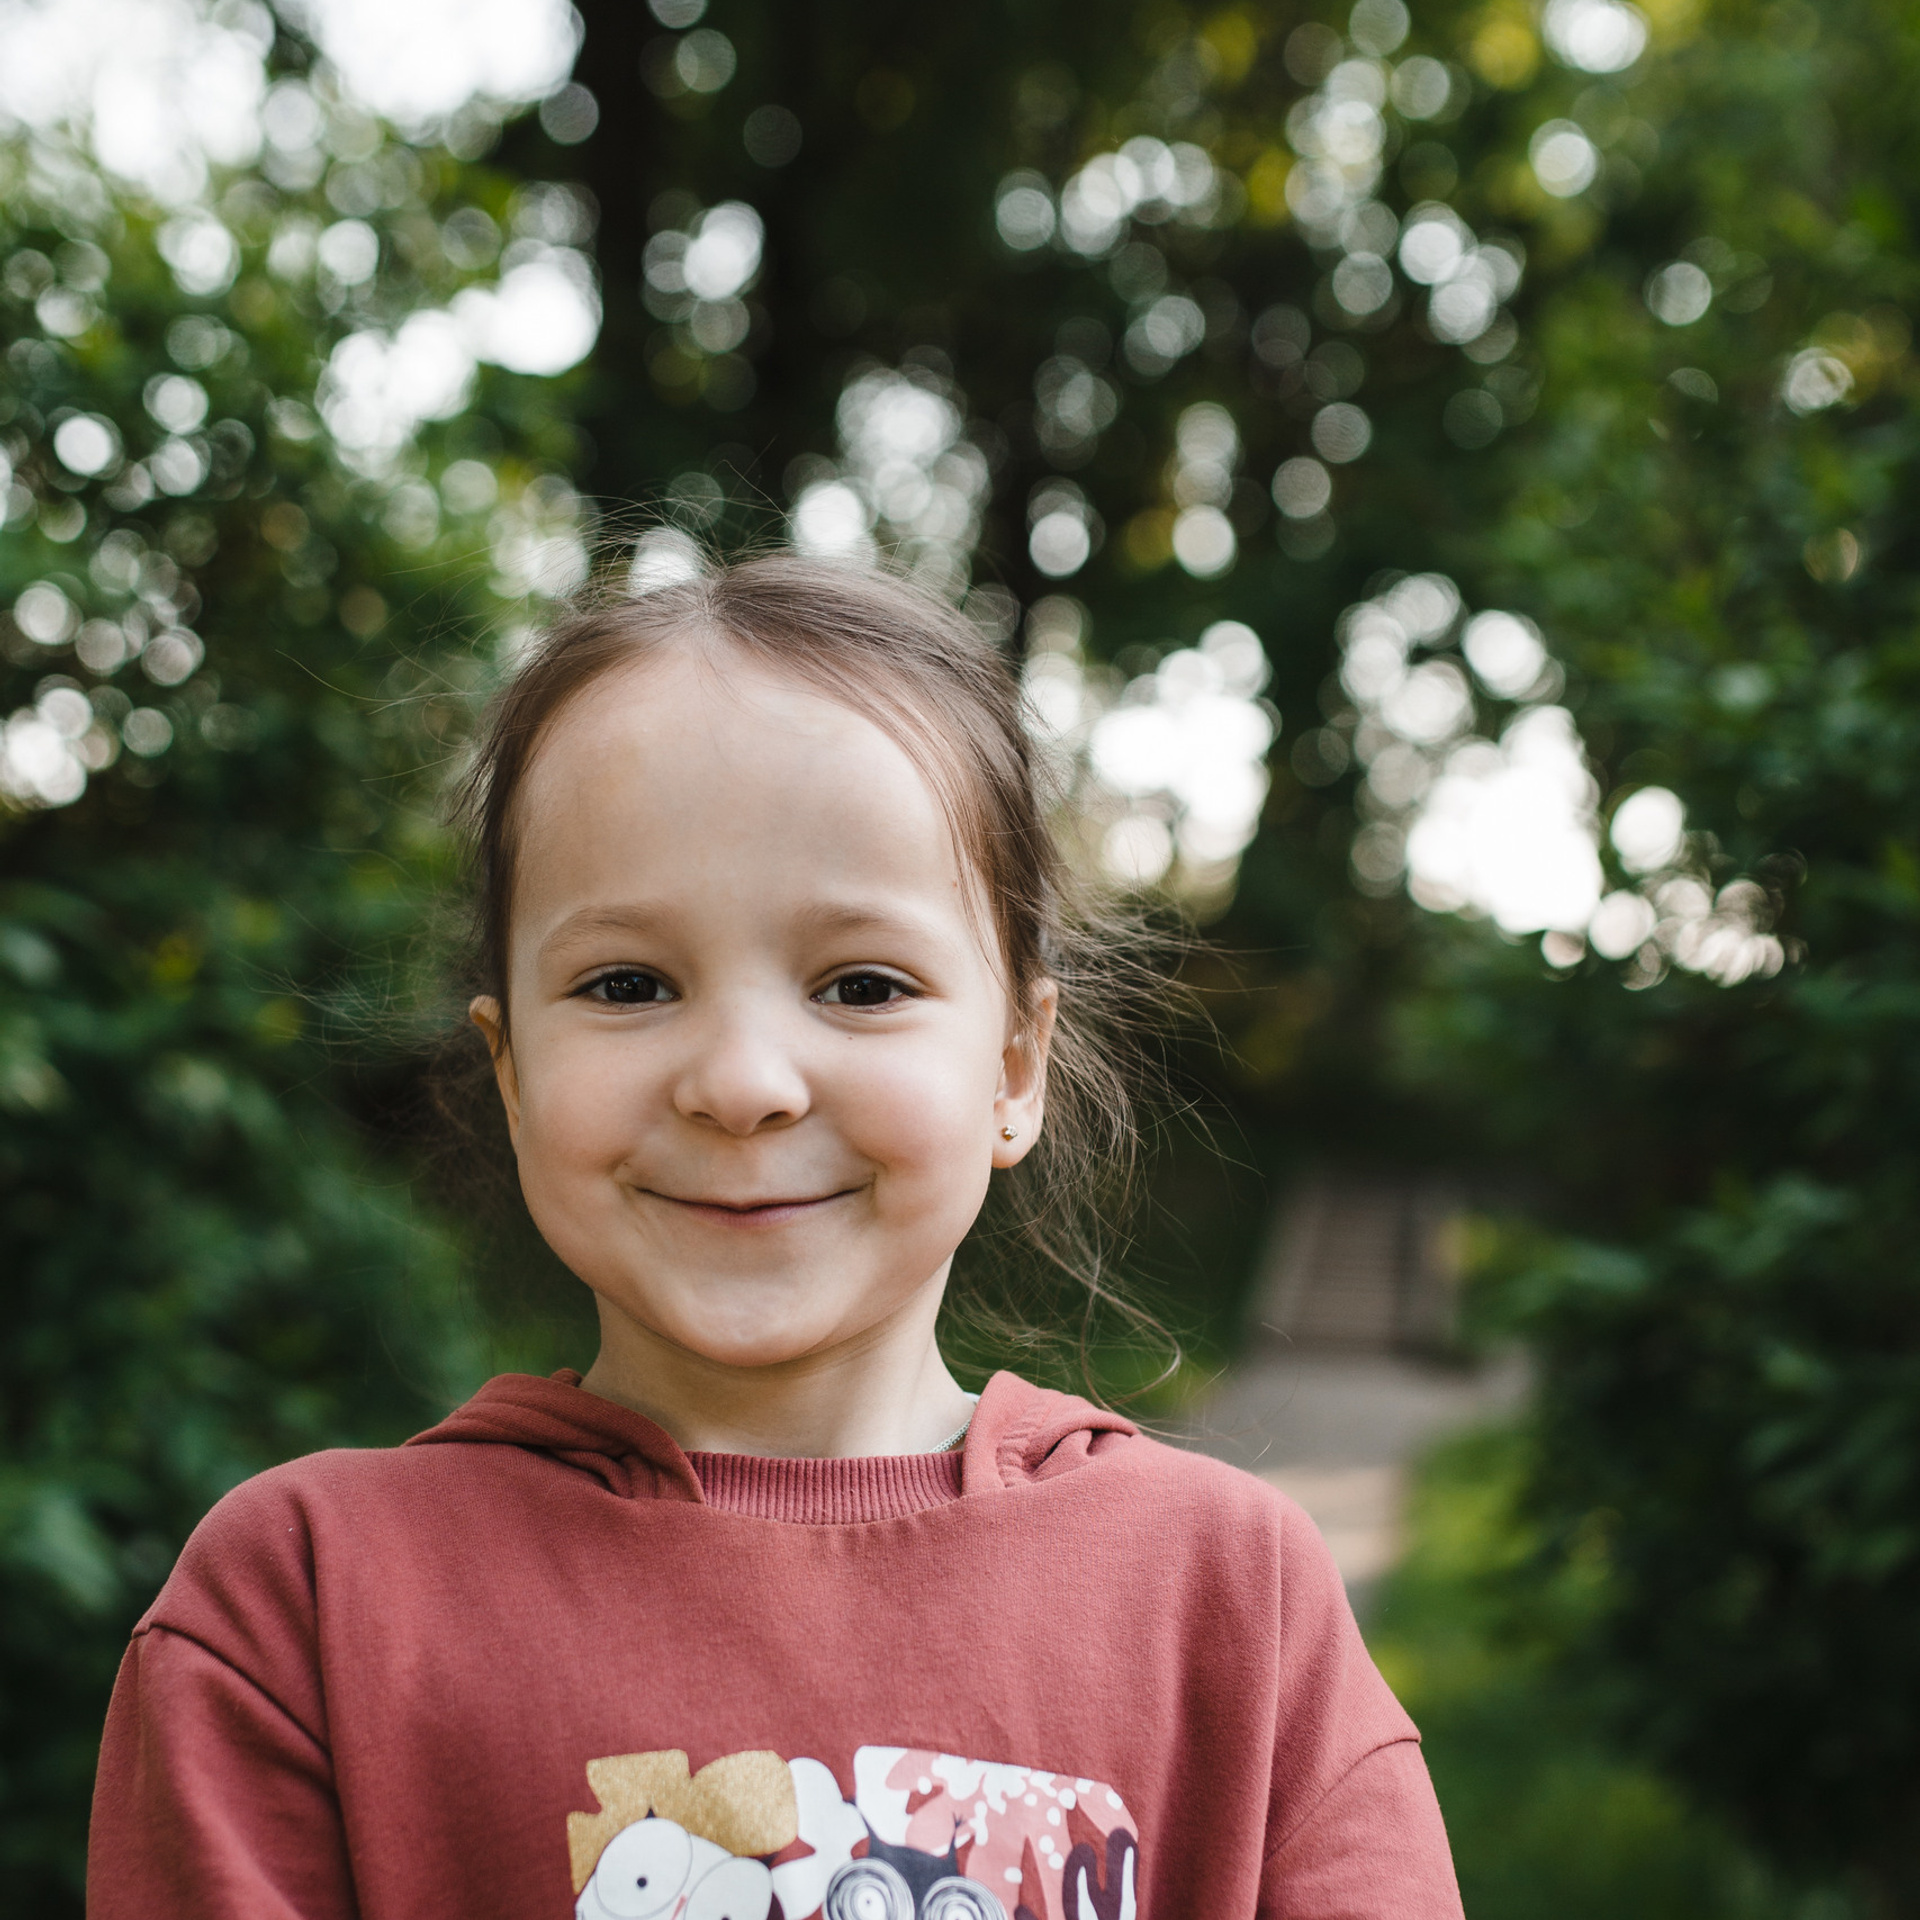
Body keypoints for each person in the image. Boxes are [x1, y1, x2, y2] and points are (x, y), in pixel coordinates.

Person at [87, 555, 1462, 1920]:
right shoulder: (301, 1613)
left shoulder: (1231, 1601)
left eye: (862, 984)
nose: (743, 1082)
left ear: (1015, 1067)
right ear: (510, 1073)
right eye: (628, 984)